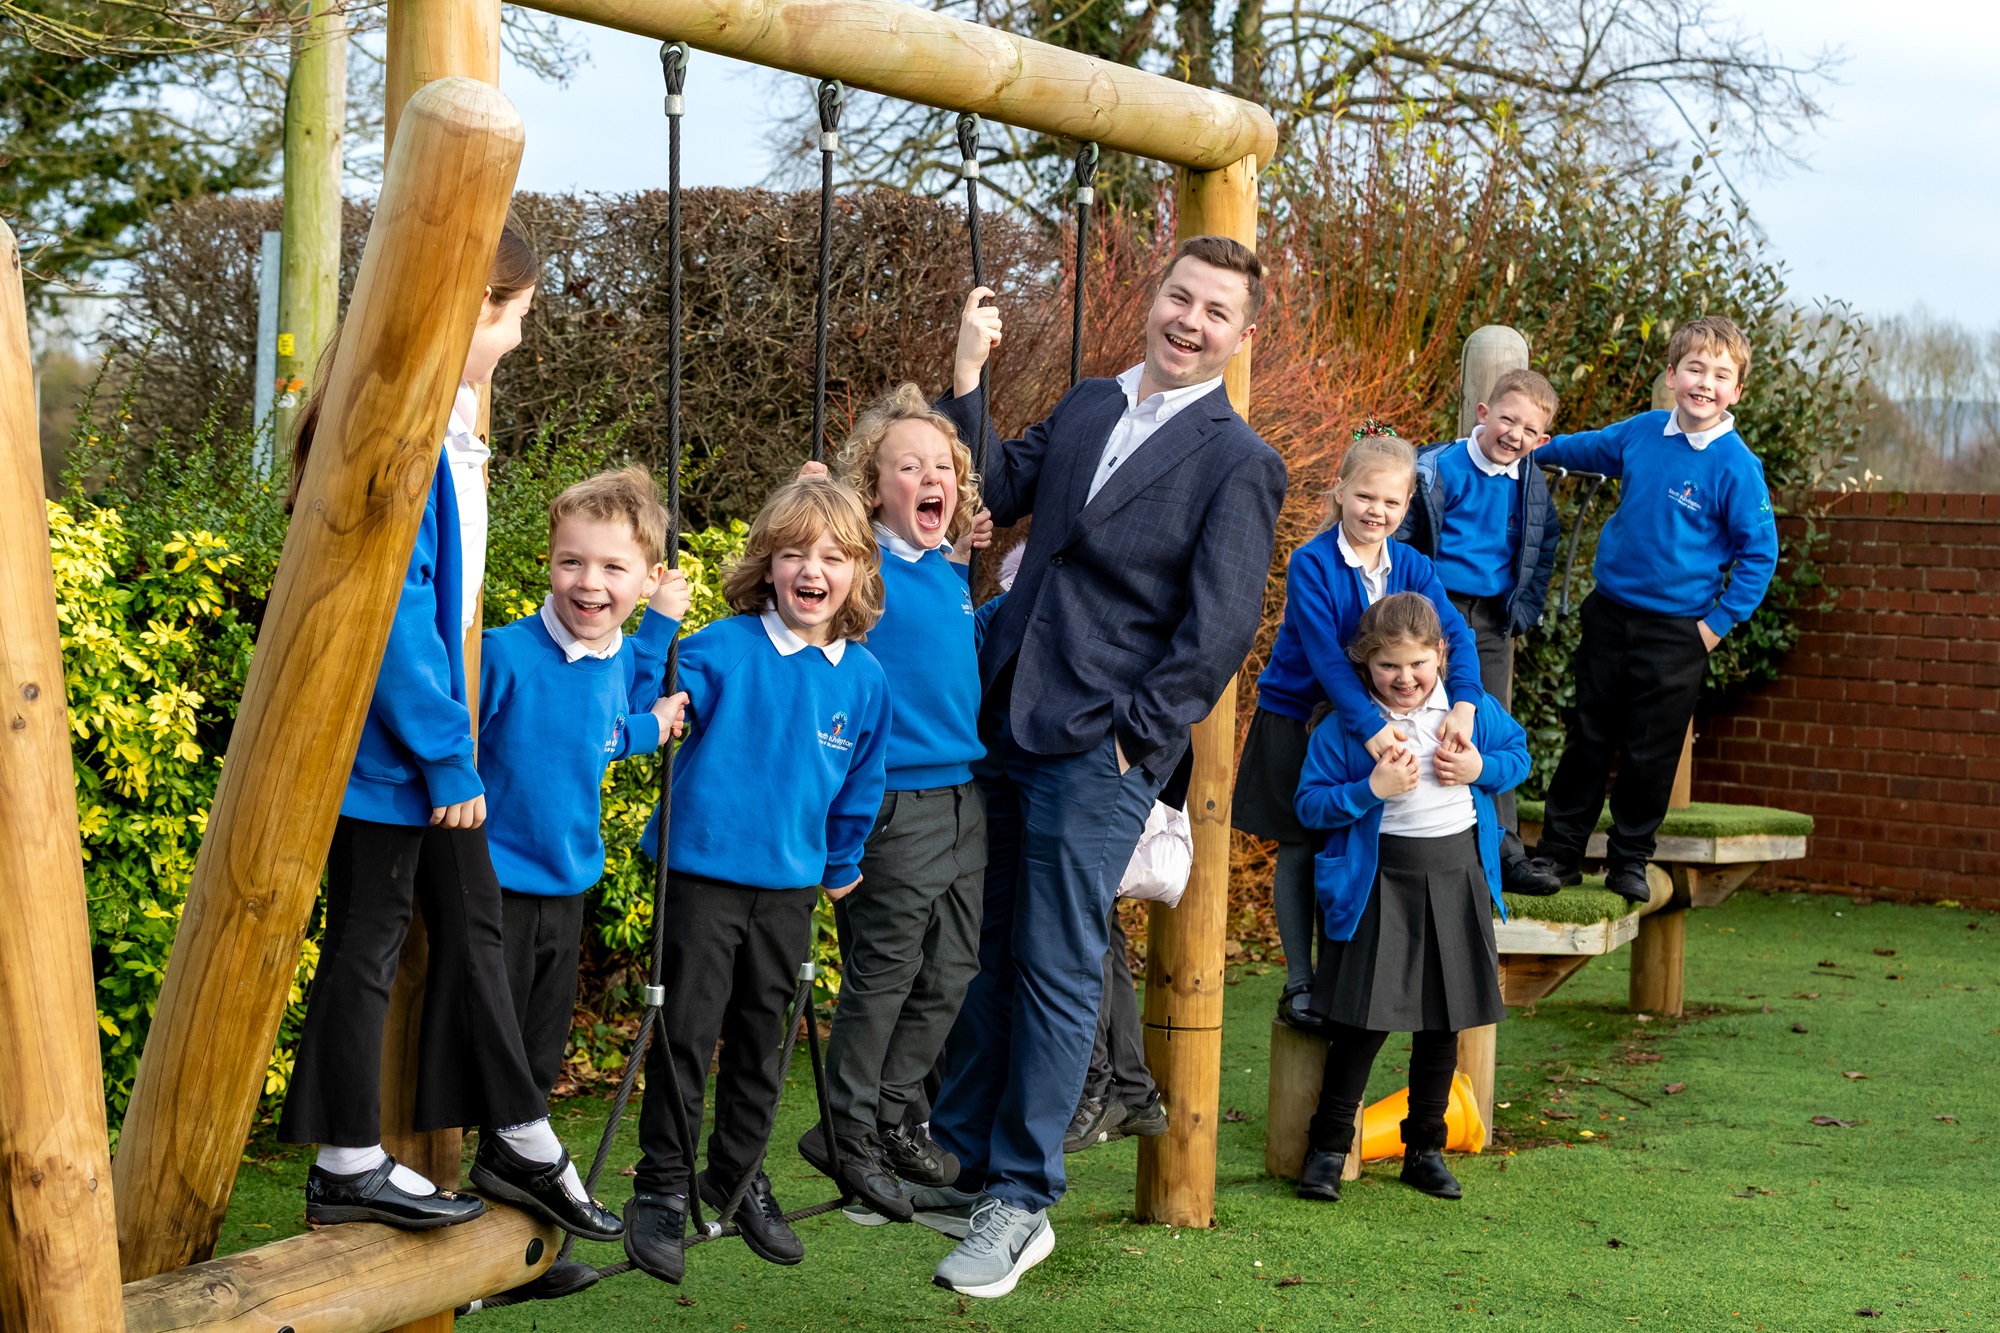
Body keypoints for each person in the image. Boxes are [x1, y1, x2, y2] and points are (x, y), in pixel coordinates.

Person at [919, 234, 1287, 1299]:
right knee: (981, 944)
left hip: (1098, 743)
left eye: (1215, 311)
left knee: (1054, 958)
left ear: (1238, 336)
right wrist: (966, 374)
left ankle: (1020, 1197)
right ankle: (960, 1154)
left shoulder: (1237, 460)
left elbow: (1215, 633)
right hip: (996, 712)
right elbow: (984, 488)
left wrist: (1133, 740)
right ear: (1152, 296)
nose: (1190, 320)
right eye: (1180, 295)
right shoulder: (1086, 405)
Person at [277, 218, 622, 1244]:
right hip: (392, 754)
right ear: (472, 309)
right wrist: (442, 752)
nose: (515, 340)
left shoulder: (438, 424)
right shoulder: (403, 434)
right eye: (512, 318)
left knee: (460, 928)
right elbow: (388, 611)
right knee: (374, 942)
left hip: (408, 748)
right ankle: (355, 1160)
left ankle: (517, 1136)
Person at [622, 476, 891, 1285]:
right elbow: (643, 707)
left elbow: (860, 784)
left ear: (858, 573)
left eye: (834, 556)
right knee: (686, 1032)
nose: (814, 569)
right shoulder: (721, 647)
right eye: (794, 553)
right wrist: (661, 618)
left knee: (763, 1040)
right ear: (767, 566)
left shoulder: (864, 677)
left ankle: (735, 1177)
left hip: (788, 888)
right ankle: (663, 1187)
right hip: (702, 875)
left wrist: (840, 866)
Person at [480, 467, 691, 1299]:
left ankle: (512, 1252)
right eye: (573, 563)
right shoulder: (502, 654)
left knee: (535, 1058)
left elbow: (608, 728)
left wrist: (656, 714)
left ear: (643, 582)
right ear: (548, 563)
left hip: (567, 884)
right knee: (486, 1060)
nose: (589, 583)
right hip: (493, 881)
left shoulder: (609, 659)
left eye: (612, 569)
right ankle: (461, 1237)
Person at [792, 385, 992, 1221]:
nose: (929, 477)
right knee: (886, 971)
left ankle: (892, 1107)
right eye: (907, 467)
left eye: (941, 465)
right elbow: (806, 567)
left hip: (963, 794)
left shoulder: (944, 572)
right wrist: (815, 505)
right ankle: (848, 1128)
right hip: (896, 802)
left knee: (954, 966)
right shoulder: (862, 565)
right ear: (874, 490)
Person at [1235, 433, 1486, 1032]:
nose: (1377, 511)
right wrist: (1371, 728)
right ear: (1339, 493)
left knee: (1355, 842)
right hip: (1301, 717)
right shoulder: (1313, 563)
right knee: (1301, 845)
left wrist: (1467, 703)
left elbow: (1456, 637)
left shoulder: (1417, 567)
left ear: (1406, 510)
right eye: (1365, 496)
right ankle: (1301, 980)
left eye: (1392, 503)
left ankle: (1344, 976)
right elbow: (1325, 656)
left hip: (1377, 722)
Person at [1523, 317, 1778, 904]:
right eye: (1694, 369)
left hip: (1678, 635)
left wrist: (1715, 627)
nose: (1705, 383)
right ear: (1672, 375)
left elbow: (1759, 554)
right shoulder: (1640, 433)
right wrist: (1532, 444)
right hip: (1610, 614)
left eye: (1721, 375)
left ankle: (1629, 860)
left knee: (1648, 753)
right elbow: (1580, 448)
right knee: (1588, 736)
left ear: (1736, 391)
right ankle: (1560, 854)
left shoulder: (1738, 466)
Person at [1291, 592, 1529, 1203]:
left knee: (1443, 1022)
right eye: (1388, 667)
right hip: (1378, 885)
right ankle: (1327, 1149)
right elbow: (1310, 804)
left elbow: (1518, 756)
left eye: (1418, 664)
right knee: (1362, 1022)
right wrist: (1370, 788)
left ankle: (1424, 1149)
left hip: (1455, 877)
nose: (1405, 679)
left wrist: (1479, 770)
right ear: (1363, 665)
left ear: (1441, 656)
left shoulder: (1465, 711)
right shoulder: (1349, 725)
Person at [1395, 369, 1564, 896]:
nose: (1515, 434)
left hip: (1492, 619)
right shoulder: (1436, 468)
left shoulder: (1532, 483)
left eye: (1529, 430)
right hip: (1432, 614)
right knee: (1417, 718)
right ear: (1484, 413)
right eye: (1507, 419)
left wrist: (1524, 612)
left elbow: (1543, 548)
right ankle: (1419, 839)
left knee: (1491, 726)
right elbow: (1404, 534)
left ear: (1542, 440)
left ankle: (1506, 851)